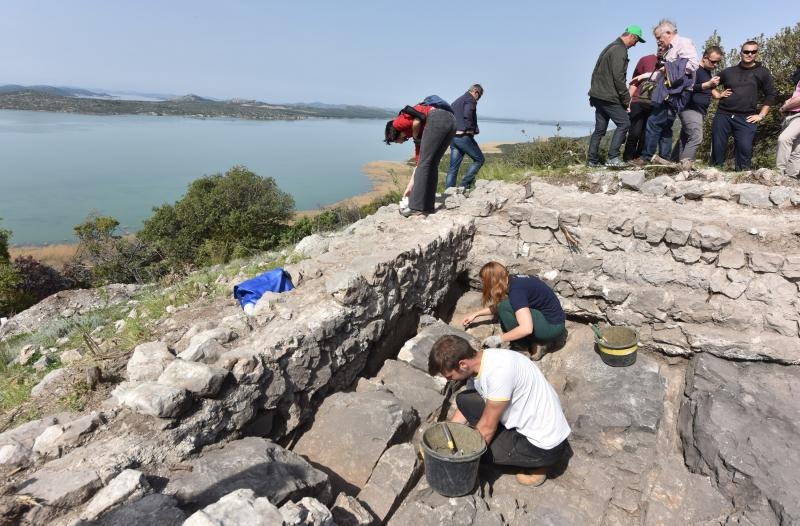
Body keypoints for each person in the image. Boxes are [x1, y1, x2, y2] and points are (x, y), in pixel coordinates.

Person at [428, 334, 571, 486]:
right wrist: (447, 436)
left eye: (450, 376)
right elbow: (465, 410)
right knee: (464, 400)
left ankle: (537, 466)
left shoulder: (499, 374)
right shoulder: (484, 359)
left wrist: (456, 460)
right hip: (530, 420)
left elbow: (487, 428)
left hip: (542, 445)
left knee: (483, 456)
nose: (450, 381)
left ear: (463, 364)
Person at [463, 261, 566, 360]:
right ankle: (537, 341)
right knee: (505, 305)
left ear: (492, 281)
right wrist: (476, 314)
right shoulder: (514, 280)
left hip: (552, 327)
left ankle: (522, 346)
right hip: (555, 321)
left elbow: (527, 328)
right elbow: (499, 306)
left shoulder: (516, 291)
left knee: (505, 307)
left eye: (485, 282)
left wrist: (498, 338)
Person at [634, 19, 699, 167]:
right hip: (672, 90)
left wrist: (669, 68)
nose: (658, 41)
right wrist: (645, 76)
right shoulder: (670, 49)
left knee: (653, 122)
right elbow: (664, 72)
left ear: (668, 33)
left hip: (675, 92)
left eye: (658, 37)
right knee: (665, 126)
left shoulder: (683, 43)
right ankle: (665, 158)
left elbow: (693, 64)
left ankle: (646, 157)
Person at [710, 41, 777, 171]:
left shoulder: (763, 72)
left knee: (745, 149)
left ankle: (742, 178)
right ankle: (715, 175)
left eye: (753, 52)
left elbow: (770, 95)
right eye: (746, 51)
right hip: (723, 115)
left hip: (746, 118)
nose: (750, 54)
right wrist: (717, 95)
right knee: (718, 147)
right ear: (741, 53)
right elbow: (710, 84)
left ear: (757, 53)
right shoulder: (728, 72)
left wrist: (761, 115)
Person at [586, 25, 646, 168]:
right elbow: (618, 78)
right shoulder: (620, 50)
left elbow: (595, 71)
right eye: (636, 41)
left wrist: (593, 93)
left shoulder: (610, 47)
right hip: (608, 96)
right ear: (632, 36)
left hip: (598, 95)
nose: (636, 44)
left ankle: (592, 161)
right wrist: (626, 100)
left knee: (600, 129)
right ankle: (612, 158)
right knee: (624, 123)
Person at [385, 99, 456, 217]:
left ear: (392, 135)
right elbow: (419, 164)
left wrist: (415, 135)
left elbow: (418, 118)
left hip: (438, 119)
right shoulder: (420, 135)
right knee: (431, 164)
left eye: (394, 141)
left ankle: (415, 207)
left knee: (427, 164)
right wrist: (409, 187)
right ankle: (427, 207)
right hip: (451, 121)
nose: (398, 143)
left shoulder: (397, 123)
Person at [671, 46, 724, 170]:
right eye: (713, 61)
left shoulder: (706, 71)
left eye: (718, 62)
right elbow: (686, 87)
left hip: (699, 111)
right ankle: (684, 168)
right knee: (696, 136)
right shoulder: (693, 69)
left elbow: (706, 86)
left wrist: (717, 93)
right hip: (690, 108)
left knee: (685, 139)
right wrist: (707, 85)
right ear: (705, 58)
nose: (716, 65)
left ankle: (672, 164)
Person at [622, 44, 663, 163]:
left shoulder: (670, 64)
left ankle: (639, 160)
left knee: (647, 134)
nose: (661, 48)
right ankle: (627, 159)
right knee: (635, 132)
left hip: (655, 104)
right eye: (659, 46)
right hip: (638, 101)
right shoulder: (645, 60)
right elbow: (634, 81)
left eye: (664, 47)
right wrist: (627, 101)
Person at [446, 84, 485, 190]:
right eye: (480, 96)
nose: (478, 99)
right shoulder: (470, 99)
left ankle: (449, 192)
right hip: (463, 136)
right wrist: (470, 130)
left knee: (453, 167)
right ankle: (465, 185)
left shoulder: (457, 101)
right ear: (476, 92)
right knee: (479, 160)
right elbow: (468, 114)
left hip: (453, 137)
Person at [776, 67, 800, 178]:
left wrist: (785, 107)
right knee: (797, 148)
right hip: (792, 115)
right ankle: (791, 178)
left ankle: (779, 174)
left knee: (784, 139)